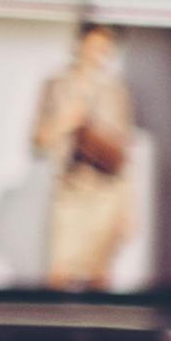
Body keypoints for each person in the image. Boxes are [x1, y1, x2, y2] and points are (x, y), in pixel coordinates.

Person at [32, 19, 137, 291]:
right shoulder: (56, 85)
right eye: (94, 46)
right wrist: (66, 121)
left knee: (99, 277)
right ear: (80, 45)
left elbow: (124, 155)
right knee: (59, 274)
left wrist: (128, 210)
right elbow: (37, 142)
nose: (98, 54)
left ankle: (99, 335)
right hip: (70, 188)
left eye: (105, 48)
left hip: (106, 191)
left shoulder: (116, 91)